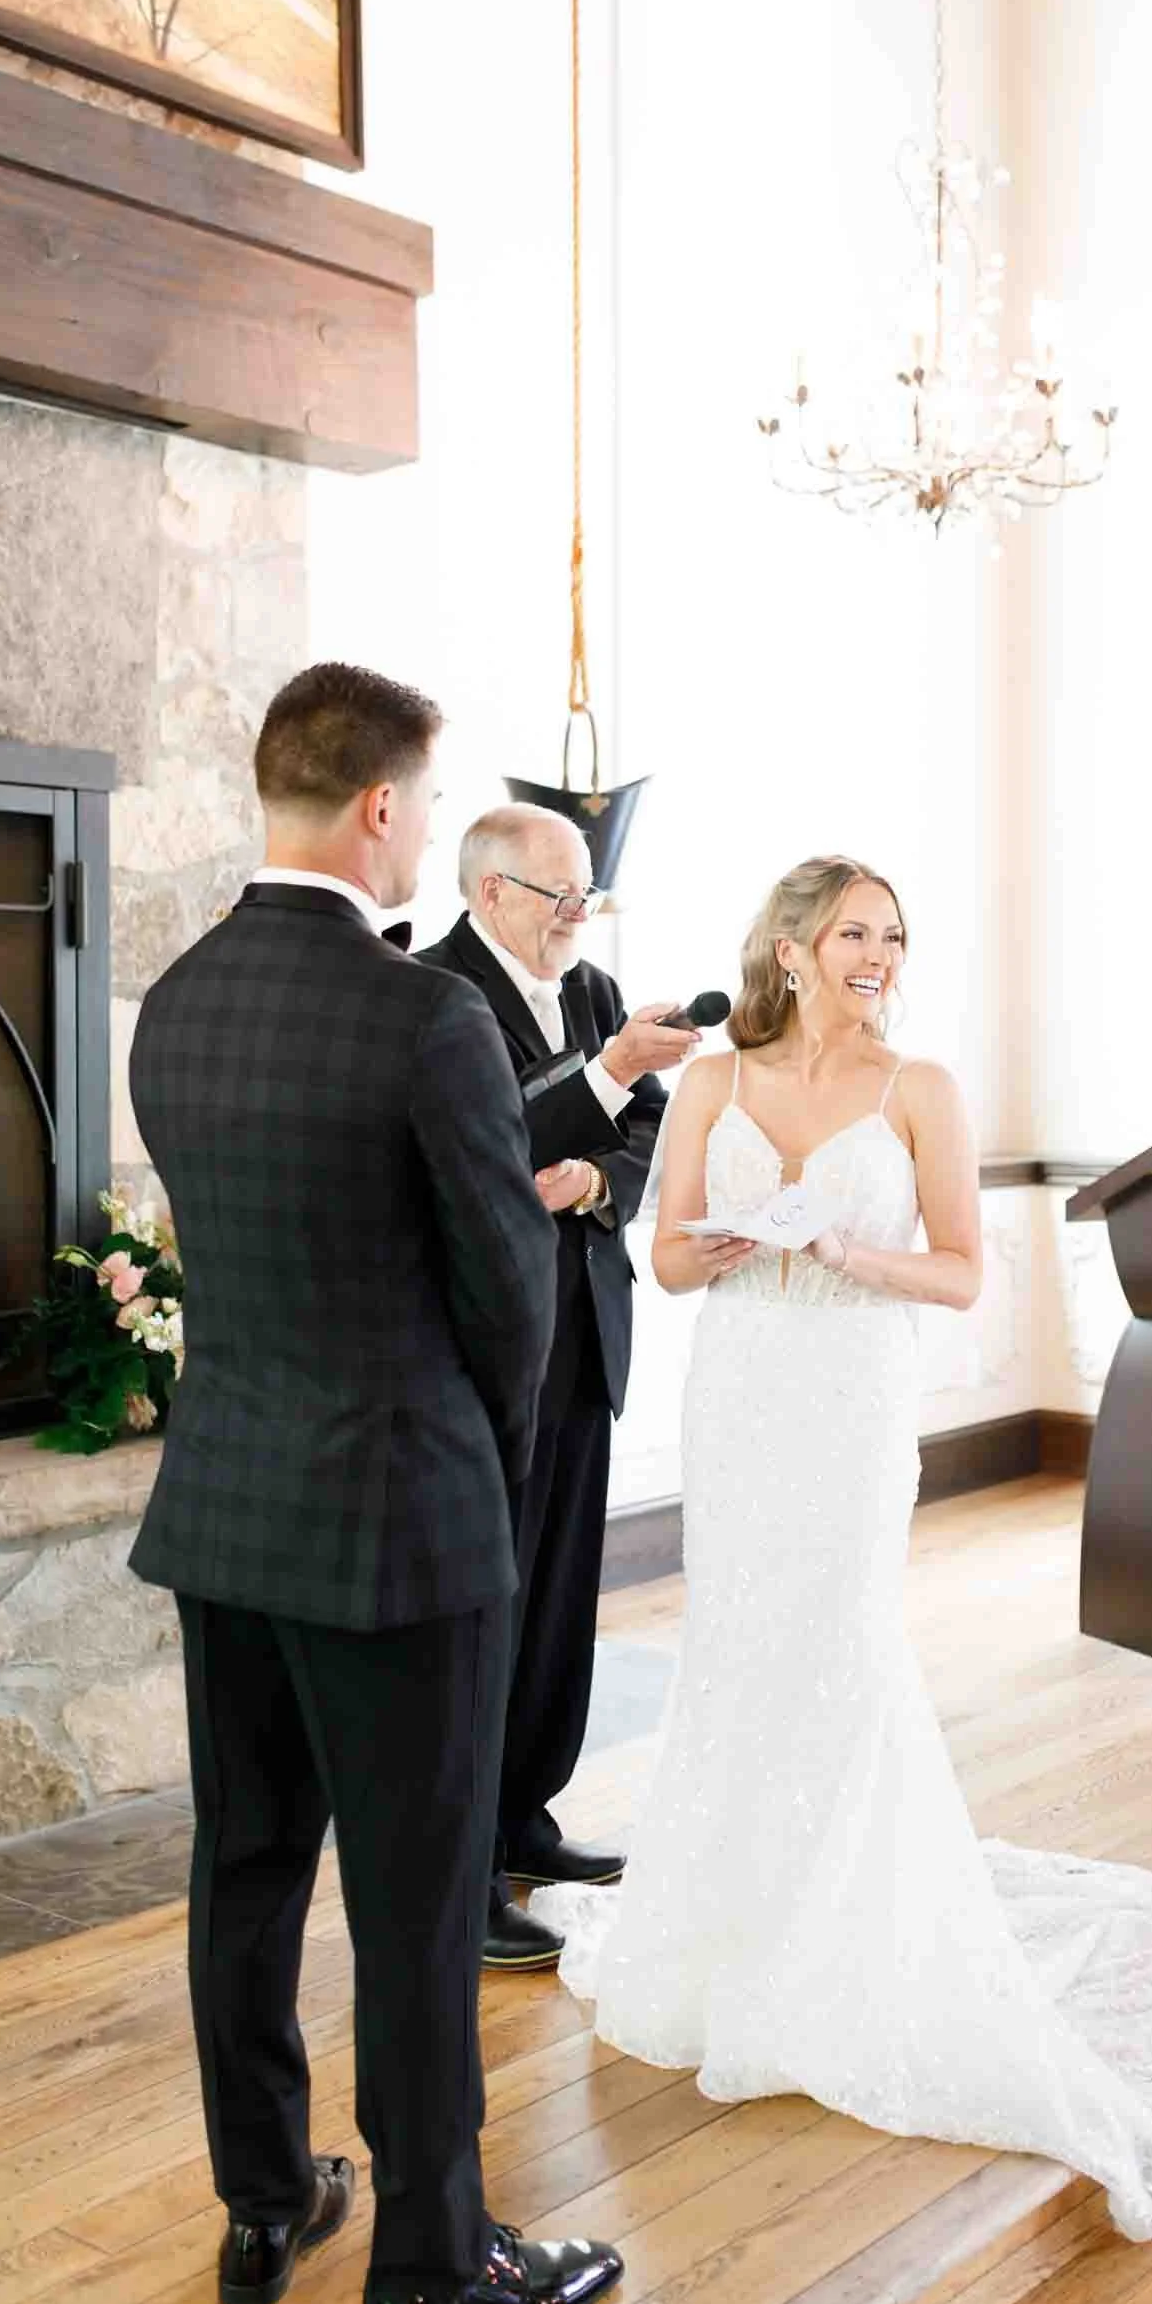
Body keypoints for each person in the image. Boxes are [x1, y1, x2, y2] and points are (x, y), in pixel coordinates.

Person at [534, 855, 1152, 2243]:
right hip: (740, 1390)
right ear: (789, 948)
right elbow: (664, 1258)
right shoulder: (720, 1082)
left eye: (894, 937)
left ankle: (846, 1926)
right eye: (855, 933)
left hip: (852, 1394)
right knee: (736, 1647)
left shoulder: (922, 1089)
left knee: (842, 1640)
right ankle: (734, 1921)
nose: (879, 956)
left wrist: (851, 1255)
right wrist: (728, 1247)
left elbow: (967, 1269)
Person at [128, 665, 621, 2304]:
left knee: (247, 1867)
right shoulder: (431, 1019)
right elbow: (511, 1299)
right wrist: (482, 1469)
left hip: (225, 1512)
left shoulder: (173, 1001)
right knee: (415, 1902)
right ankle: (433, 2255)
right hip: (404, 1523)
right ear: (385, 810)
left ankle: (267, 2202)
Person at [416, 806, 695, 1970]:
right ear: (489, 892)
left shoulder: (593, 989)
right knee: (488, 1604)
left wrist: (598, 1181)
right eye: (557, 896)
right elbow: (481, 1145)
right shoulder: (430, 993)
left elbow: (645, 1127)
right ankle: (460, 1865)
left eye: (589, 895)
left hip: (586, 1322)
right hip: (484, 1342)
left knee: (565, 1589)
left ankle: (527, 1812)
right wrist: (608, 1077)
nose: (578, 916)